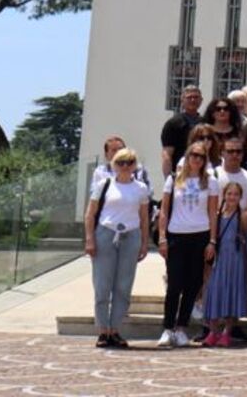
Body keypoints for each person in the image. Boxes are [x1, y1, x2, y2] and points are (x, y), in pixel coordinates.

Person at [86, 147, 151, 349]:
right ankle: (102, 330)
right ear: (113, 164)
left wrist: (144, 242)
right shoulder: (104, 184)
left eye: (129, 163)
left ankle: (115, 329)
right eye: (120, 162)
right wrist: (90, 238)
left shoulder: (140, 188)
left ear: (134, 166)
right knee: (102, 284)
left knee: (123, 285)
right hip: (106, 233)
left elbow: (144, 217)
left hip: (130, 234)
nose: (125, 166)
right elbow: (91, 213)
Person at [157, 142, 220, 347]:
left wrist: (212, 240)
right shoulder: (173, 179)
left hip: (200, 235)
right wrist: (162, 237)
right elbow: (164, 210)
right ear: (187, 156)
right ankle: (167, 328)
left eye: (201, 156)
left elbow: (212, 212)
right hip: (176, 234)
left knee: (193, 284)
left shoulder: (211, 182)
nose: (196, 159)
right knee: (174, 283)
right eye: (193, 155)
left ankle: (182, 327)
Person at [161, 86, 204, 178]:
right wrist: (168, 177)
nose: (193, 100)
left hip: (202, 173)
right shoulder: (173, 123)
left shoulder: (205, 122)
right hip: (181, 172)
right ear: (182, 100)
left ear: (201, 100)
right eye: (189, 97)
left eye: (196, 97)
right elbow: (167, 153)